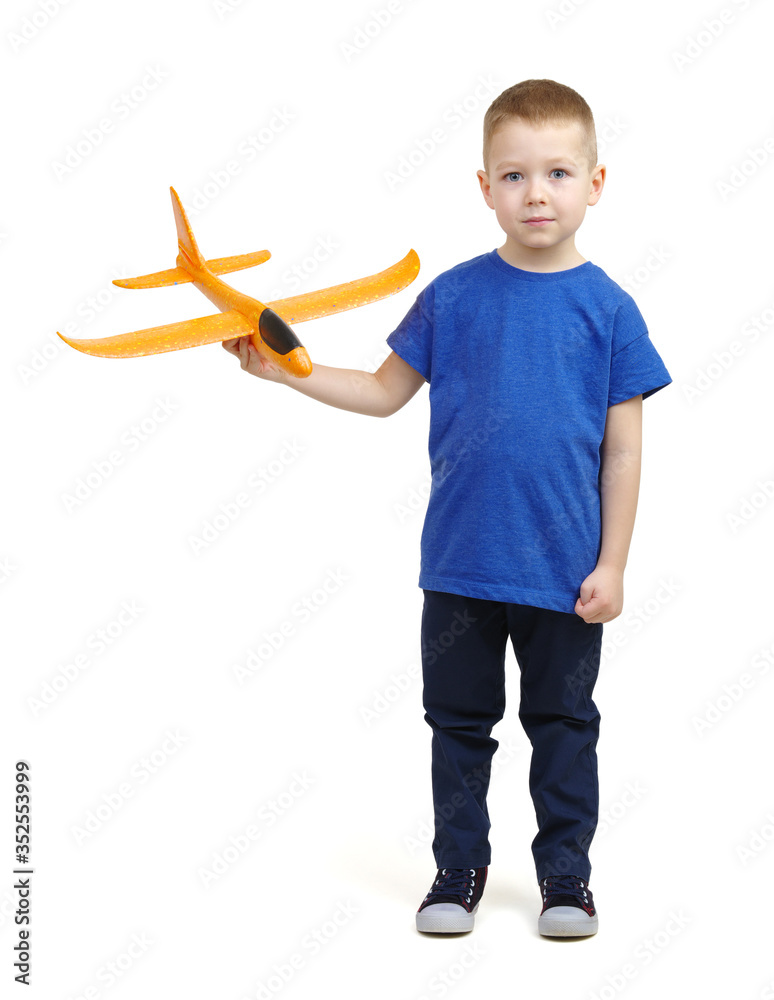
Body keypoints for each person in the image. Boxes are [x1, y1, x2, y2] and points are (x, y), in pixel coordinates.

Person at [223, 78, 672, 939]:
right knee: (458, 726)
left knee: (565, 727)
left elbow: (624, 449)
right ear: (483, 187)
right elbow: (384, 391)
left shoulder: (611, 311)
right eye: (512, 176)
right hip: (461, 568)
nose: (535, 192)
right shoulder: (454, 296)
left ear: (596, 183)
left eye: (557, 173)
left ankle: (566, 881)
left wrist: (613, 562)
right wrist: (289, 371)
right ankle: (458, 868)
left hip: (566, 574)